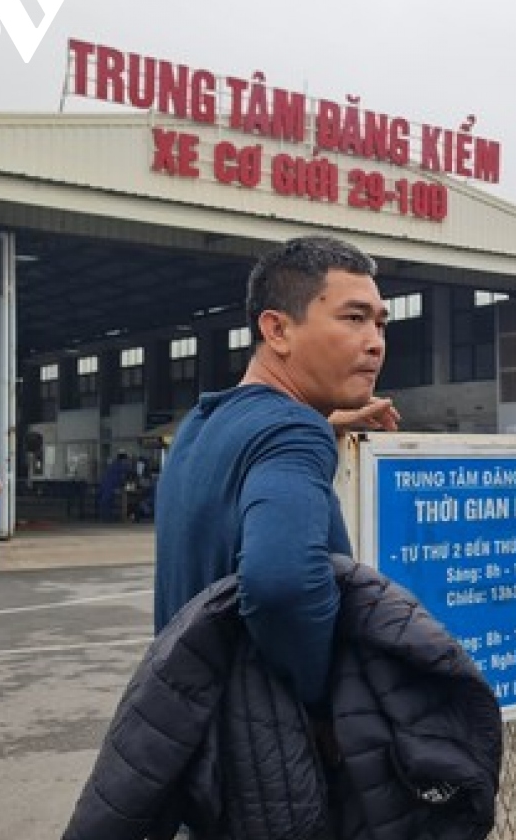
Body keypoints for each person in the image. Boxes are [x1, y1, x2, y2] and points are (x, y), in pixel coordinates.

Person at [153, 235, 399, 720]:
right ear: (278, 330)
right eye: (353, 318)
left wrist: (323, 423)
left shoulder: (200, 424)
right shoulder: (293, 434)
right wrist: (322, 704)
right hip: (264, 746)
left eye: (380, 323)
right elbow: (282, 586)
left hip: (184, 726)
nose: (375, 342)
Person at [97, 452, 132, 521]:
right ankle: (105, 518)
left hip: (108, 485)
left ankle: (107, 517)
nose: (126, 461)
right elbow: (128, 470)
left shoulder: (115, 464)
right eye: (126, 459)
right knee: (106, 501)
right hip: (108, 485)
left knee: (109, 501)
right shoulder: (118, 465)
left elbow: (121, 476)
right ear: (123, 459)